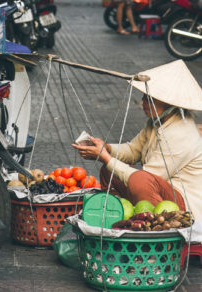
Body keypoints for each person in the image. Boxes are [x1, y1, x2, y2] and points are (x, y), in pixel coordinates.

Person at [72, 60, 202, 222]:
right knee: (109, 170)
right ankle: (118, 216)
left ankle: (155, 227)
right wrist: (107, 149)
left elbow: (146, 177)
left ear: (169, 103)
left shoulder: (180, 133)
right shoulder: (157, 122)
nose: (143, 102)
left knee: (139, 180)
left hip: (184, 205)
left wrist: (106, 157)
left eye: (150, 98)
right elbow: (133, 150)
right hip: (161, 190)